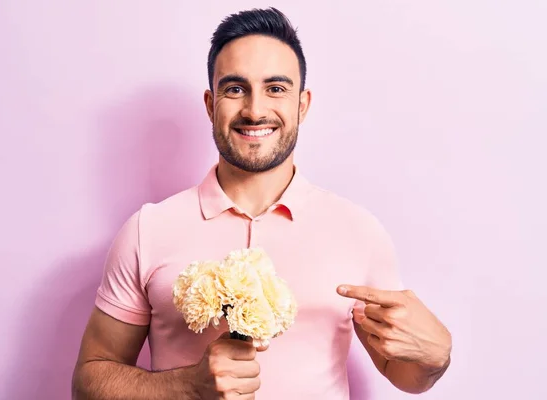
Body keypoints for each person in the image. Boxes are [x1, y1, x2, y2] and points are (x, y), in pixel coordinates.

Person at [71, 7, 452, 400]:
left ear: (302, 105)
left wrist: (436, 358)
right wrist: (185, 387)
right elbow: (87, 383)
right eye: (235, 88)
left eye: (276, 88)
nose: (255, 110)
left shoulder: (359, 231)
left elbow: (406, 375)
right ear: (210, 103)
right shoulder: (146, 230)